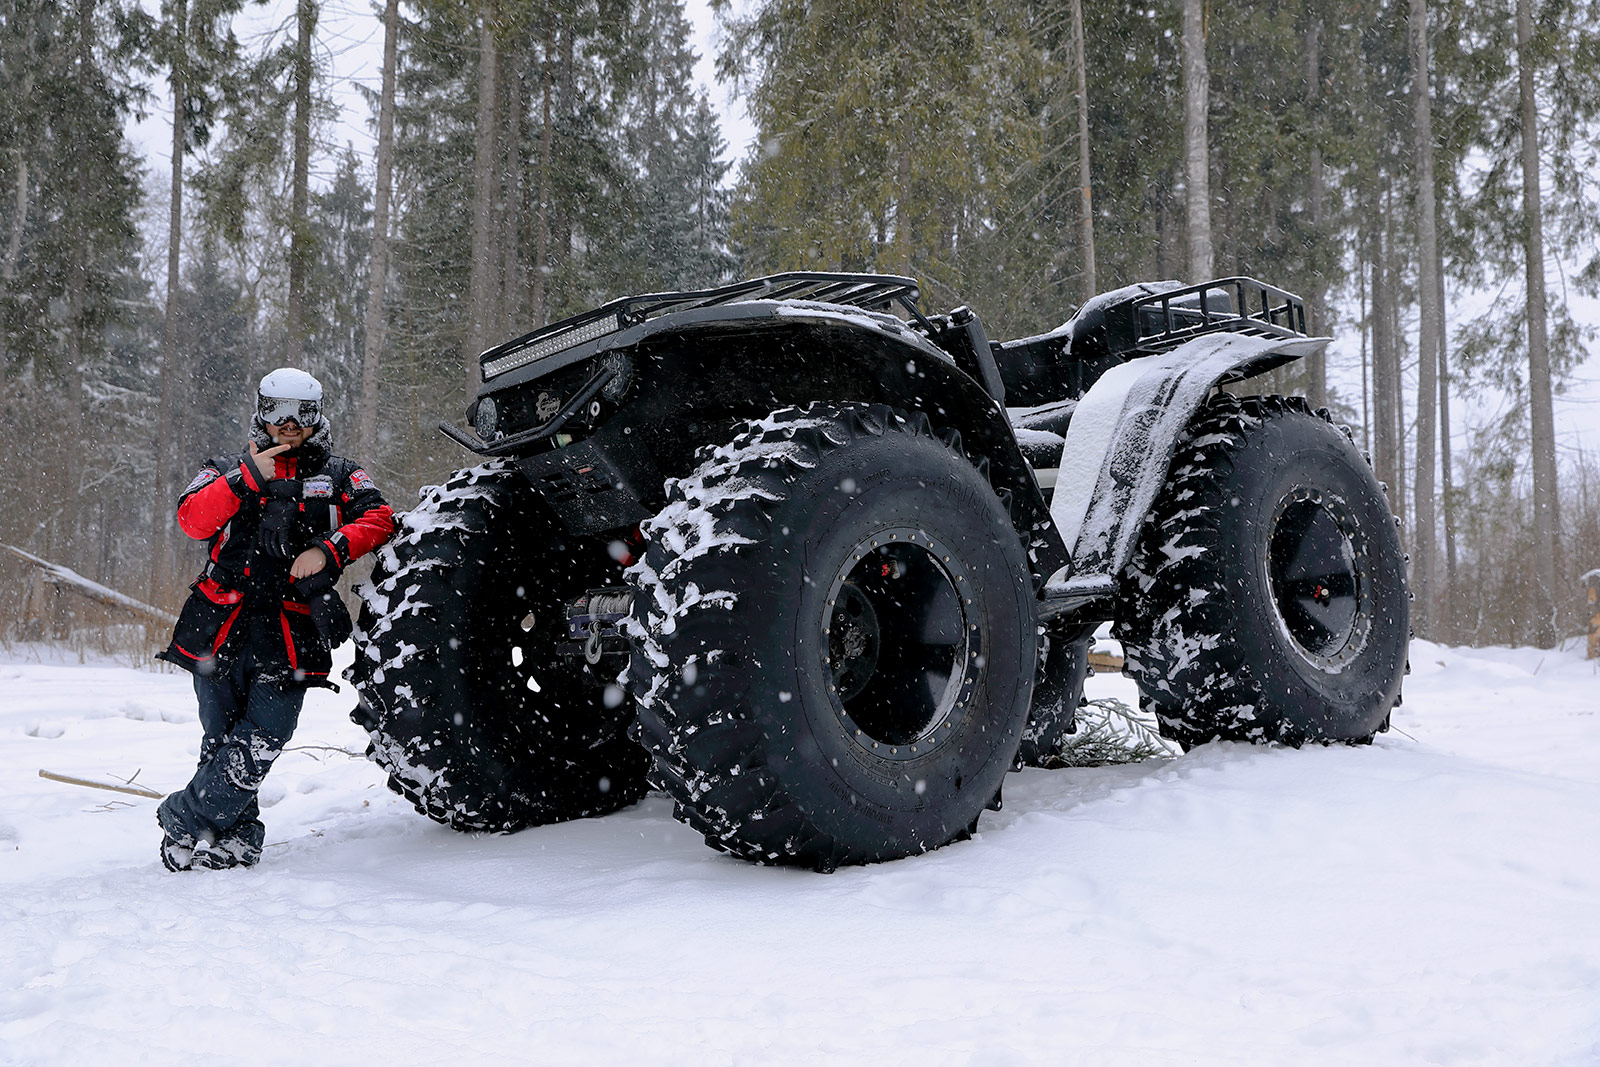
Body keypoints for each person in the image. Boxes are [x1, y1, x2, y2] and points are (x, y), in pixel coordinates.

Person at [155, 368, 395, 871]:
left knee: (264, 736)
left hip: (290, 630)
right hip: (220, 623)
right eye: (279, 412)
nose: (290, 425)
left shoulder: (341, 474)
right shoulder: (222, 468)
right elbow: (192, 519)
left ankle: (185, 817)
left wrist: (329, 551)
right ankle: (235, 838)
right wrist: (247, 478)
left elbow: (380, 518)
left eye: (303, 414)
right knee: (221, 738)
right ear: (262, 412)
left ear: (317, 415)